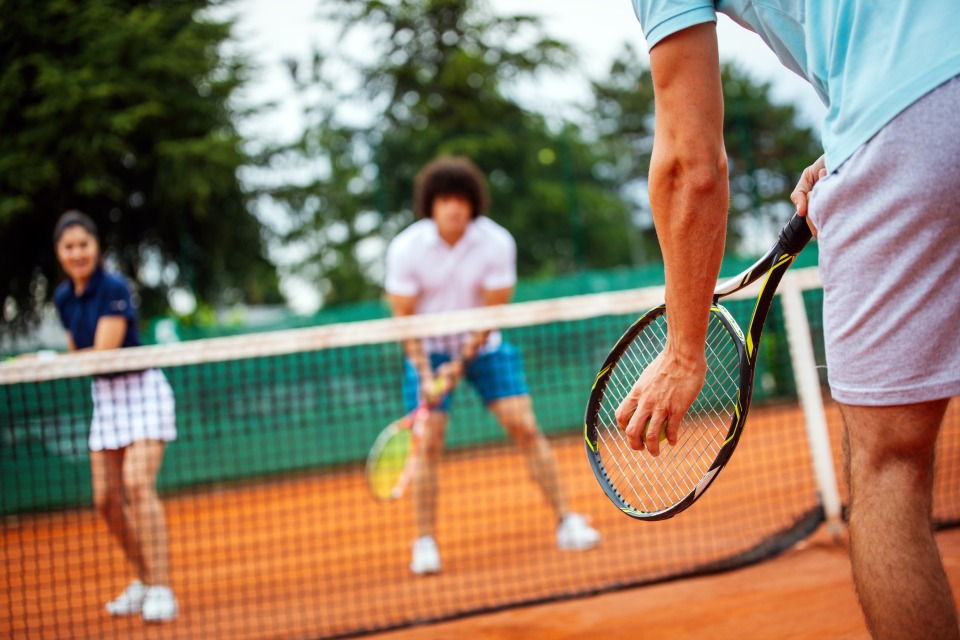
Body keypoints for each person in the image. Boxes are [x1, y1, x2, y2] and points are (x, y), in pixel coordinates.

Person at [615, 3, 960, 639]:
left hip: (904, 123)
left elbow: (690, 163)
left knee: (890, 469)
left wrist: (687, 348)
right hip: (904, 111)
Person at [385, 156, 601, 575]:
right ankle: (425, 543)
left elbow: (492, 314)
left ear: (473, 203)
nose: (453, 208)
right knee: (429, 444)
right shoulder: (406, 249)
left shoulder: (496, 242)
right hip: (425, 351)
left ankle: (566, 521)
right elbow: (404, 319)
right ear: (431, 203)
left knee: (524, 426)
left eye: (461, 199)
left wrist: (460, 362)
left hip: (484, 347)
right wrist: (429, 373)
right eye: (445, 199)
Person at [52, 210, 179, 622]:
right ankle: (143, 580)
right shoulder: (62, 298)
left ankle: (162, 588)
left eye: (83, 244)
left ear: (96, 247)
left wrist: (51, 361)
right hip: (105, 399)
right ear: (59, 252)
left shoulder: (113, 287)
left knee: (137, 484)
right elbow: (78, 356)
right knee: (106, 500)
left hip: (141, 392)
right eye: (69, 247)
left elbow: (104, 354)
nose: (77, 253)